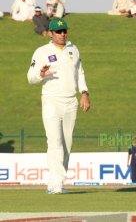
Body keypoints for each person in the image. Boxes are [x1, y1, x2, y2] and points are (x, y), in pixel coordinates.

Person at [27, 18, 90, 194]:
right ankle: (55, 184)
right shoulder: (42, 52)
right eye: (58, 32)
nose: (63, 34)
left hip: (71, 102)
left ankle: (59, 182)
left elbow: (80, 72)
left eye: (64, 31)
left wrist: (84, 93)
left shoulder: (73, 49)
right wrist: (41, 74)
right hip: (51, 100)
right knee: (54, 141)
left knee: (67, 144)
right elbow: (30, 77)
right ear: (51, 33)